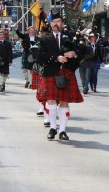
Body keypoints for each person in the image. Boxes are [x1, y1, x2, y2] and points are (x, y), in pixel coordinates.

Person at [37, 13, 83, 141]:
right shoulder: (45, 39)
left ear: (62, 24)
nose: (55, 24)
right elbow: (40, 56)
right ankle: (52, 127)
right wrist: (56, 58)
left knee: (64, 102)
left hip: (66, 73)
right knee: (50, 100)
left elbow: (80, 53)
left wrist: (73, 54)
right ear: (50, 24)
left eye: (58, 21)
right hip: (51, 72)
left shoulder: (70, 38)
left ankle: (62, 130)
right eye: (53, 22)